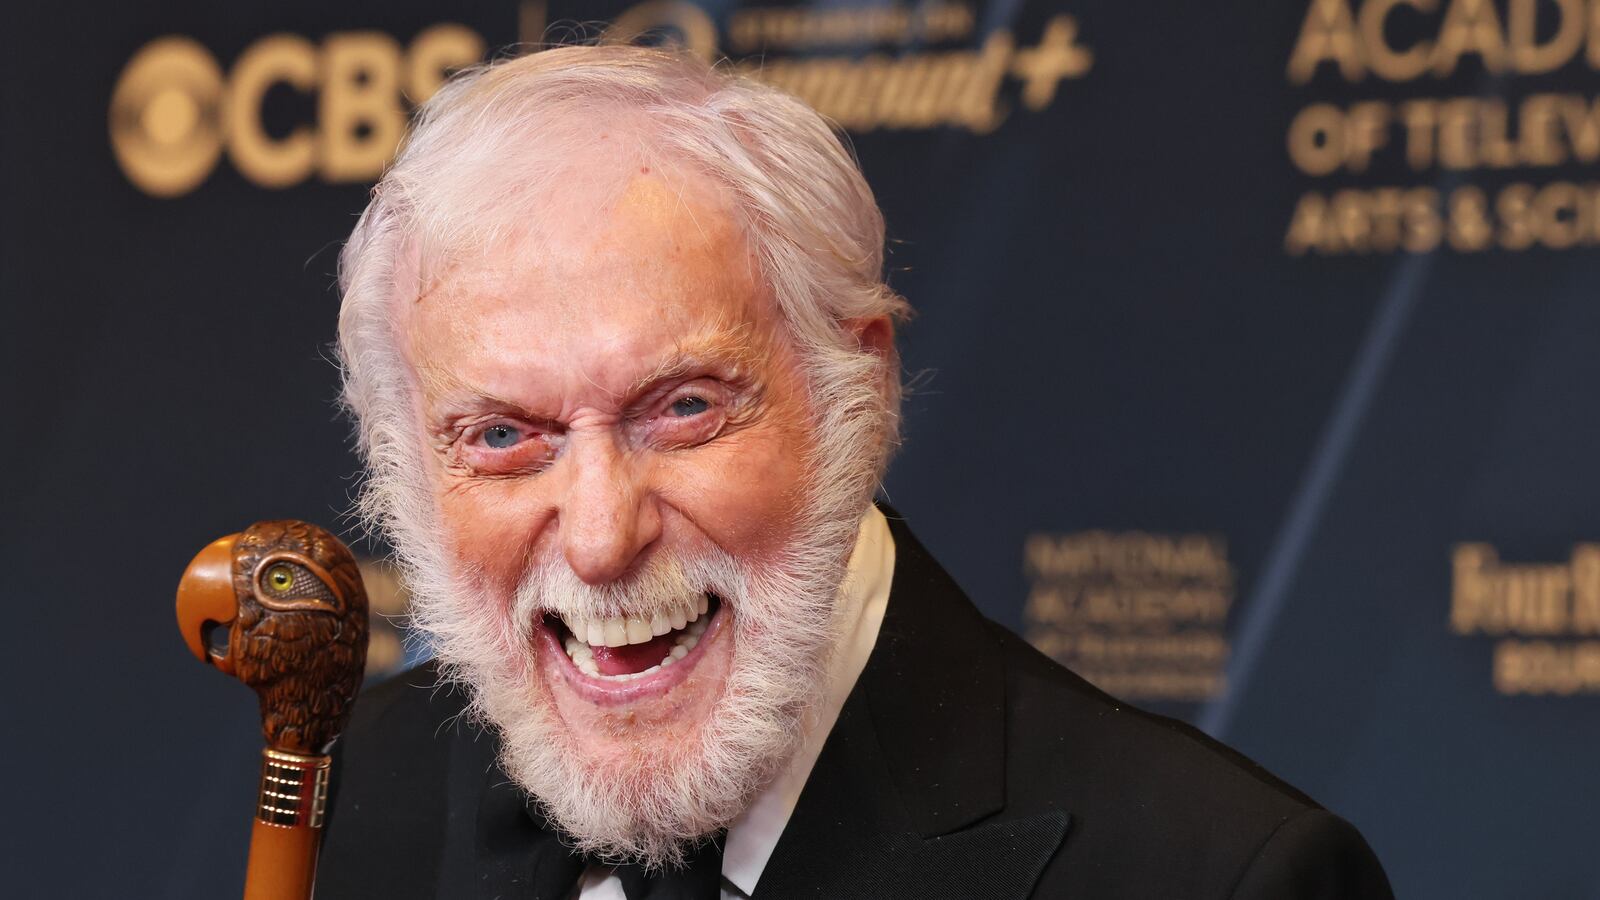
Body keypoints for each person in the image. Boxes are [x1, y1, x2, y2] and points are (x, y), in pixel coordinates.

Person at [317, 44, 1392, 899]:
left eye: (684, 409)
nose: (600, 538)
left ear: (856, 392)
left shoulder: (1218, 876)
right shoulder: (353, 793)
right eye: (503, 438)